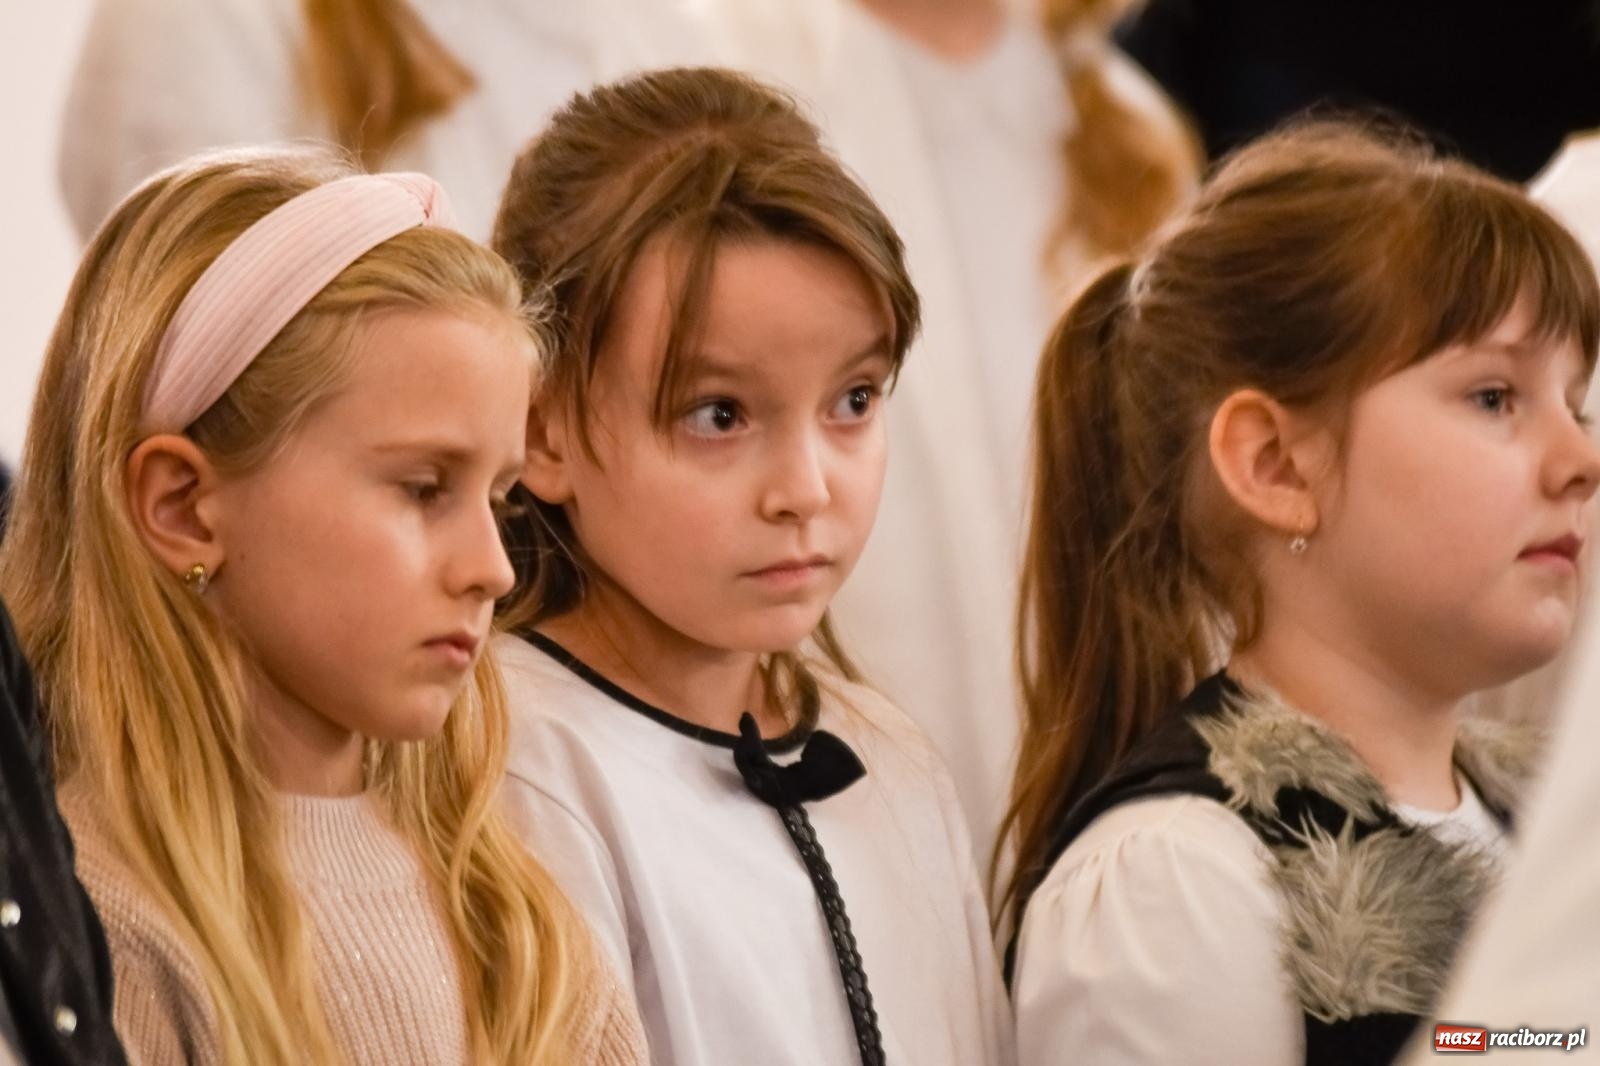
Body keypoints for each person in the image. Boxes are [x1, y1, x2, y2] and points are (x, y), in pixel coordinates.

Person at [0, 147, 645, 1065]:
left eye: (499, 499)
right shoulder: (104, 931)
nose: (496, 570)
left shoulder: (515, 920)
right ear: (183, 506)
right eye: (425, 488)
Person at [1002, 122, 1600, 1066]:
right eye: (1495, 397)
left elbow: (1529, 1039)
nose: (1583, 461)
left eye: (1579, 405)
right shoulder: (1178, 881)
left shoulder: (1534, 821)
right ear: (1276, 464)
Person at [489, 66, 1014, 1066]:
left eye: (853, 400)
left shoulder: (887, 756)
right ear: (540, 426)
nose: (806, 488)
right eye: (719, 415)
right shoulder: (520, 771)